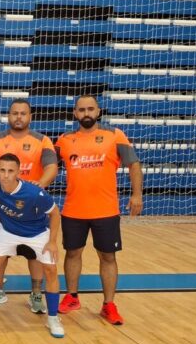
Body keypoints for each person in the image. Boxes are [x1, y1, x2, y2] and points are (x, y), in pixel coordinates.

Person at [55, 95, 143, 325]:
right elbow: (46, 165)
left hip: (106, 210)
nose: (86, 113)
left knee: (108, 257)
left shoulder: (115, 135)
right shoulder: (63, 140)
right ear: (75, 113)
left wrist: (137, 194)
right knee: (72, 253)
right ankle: (72, 297)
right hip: (73, 210)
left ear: (98, 111)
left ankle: (109, 305)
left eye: (90, 109)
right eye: (81, 109)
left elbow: (134, 164)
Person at [0, 99, 58, 313]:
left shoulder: (42, 141)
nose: (19, 117)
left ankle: (36, 294)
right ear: (8, 116)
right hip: (1, 210)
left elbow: (52, 167)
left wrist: (38, 188)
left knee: (35, 255)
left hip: (32, 211)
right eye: (15, 113)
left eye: (23, 113)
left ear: (30, 116)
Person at [0, 154, 64, 338]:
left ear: (19, 172)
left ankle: (53, 318)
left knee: (51, 270)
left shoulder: (34, 192)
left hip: (37, 232)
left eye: (10, 171)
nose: (6, 175)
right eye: (2, 170)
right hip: (7, 230)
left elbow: (55, 214)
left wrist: (52, 241)